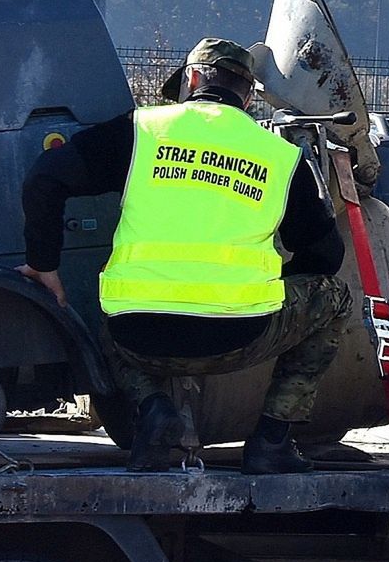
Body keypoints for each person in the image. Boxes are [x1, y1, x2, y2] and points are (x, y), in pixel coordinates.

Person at [19, 38, 352, 474]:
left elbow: (45, 177)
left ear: (192, 80)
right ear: (247, 98)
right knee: (335, 297)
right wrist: (268, 284)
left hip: (138, 338)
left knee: (108, 298)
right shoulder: (280, 158)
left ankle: (155, 410)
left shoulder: (141, 130)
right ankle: (272, 440)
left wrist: (44, 265)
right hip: (240, 337)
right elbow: (326, 256)